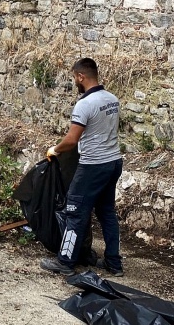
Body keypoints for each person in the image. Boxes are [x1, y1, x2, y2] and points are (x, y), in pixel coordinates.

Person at [40, 58, 124, 277]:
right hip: (113, 162)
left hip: (93, 165)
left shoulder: (85, 104)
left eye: (74, 78)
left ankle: (65, 261)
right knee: (107, 213)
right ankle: (114, 264)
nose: (74, 82)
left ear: (81, 76)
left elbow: (72, 140)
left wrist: (55, 149)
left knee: (74, 211)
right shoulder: (112, 99)